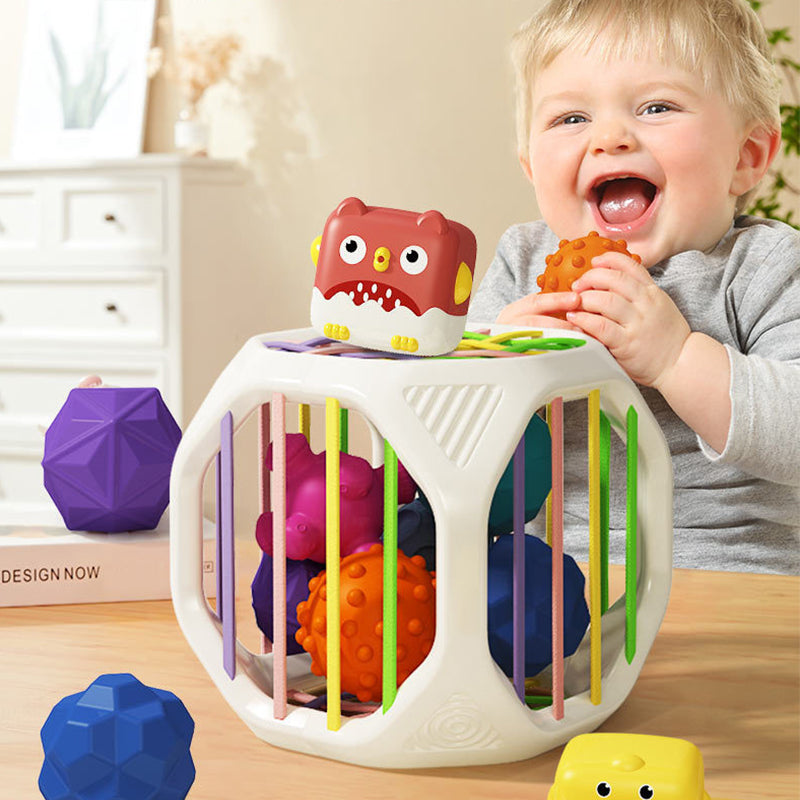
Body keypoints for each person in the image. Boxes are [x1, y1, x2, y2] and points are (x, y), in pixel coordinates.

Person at [468, 0, 800, 574]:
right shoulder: (521, 264)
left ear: (745, 158)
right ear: (531, 166)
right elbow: (448, 446)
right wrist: (496, 363)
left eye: (656, 107)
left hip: (729, 573)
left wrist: (675, 358)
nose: (610, 137)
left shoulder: (765, 266)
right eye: (571, 118)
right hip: (551, 579)